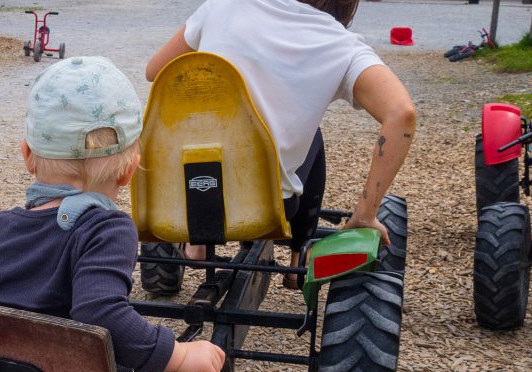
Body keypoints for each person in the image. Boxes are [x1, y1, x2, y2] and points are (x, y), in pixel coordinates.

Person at [0, 57, 226, 372]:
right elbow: (100, 313)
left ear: (27, 155)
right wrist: (181, 354)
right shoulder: (107, 229)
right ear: (129, 172)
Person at [146, 0, 417, 288]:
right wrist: (365, 214)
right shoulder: (341, 44)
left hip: (184, 197)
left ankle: (197, 243)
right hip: (265, 210)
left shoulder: (222, 6)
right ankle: (297, 257)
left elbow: (154, 71)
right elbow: (402, 114)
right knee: (312, 136)